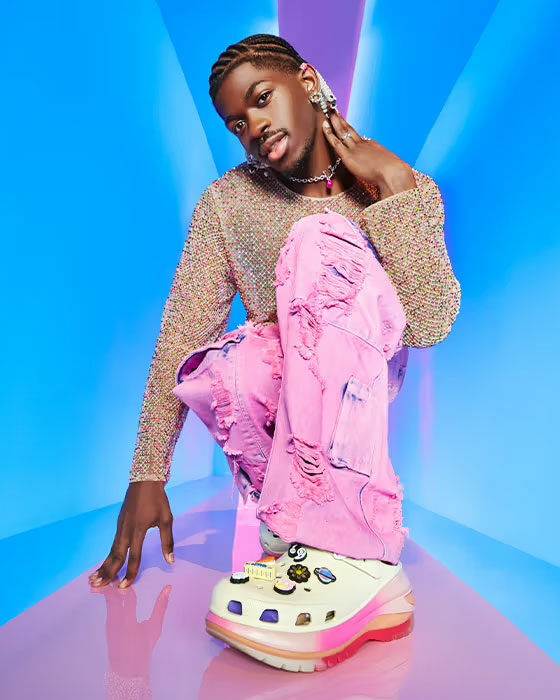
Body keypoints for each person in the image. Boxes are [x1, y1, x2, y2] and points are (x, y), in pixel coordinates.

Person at [89, 33, 461, 670]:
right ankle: (298, 534)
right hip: (285, 396)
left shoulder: (397, 184)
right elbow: (183, 333)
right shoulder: (228, 202)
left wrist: (396, 188)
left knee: (318, 239)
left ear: (307, 82)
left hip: (362, 380)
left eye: (261, 99)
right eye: (237, 123)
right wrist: (148, 473)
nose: (253, 127)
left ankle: (355, 545)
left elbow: (429, 323)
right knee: (222, 367)